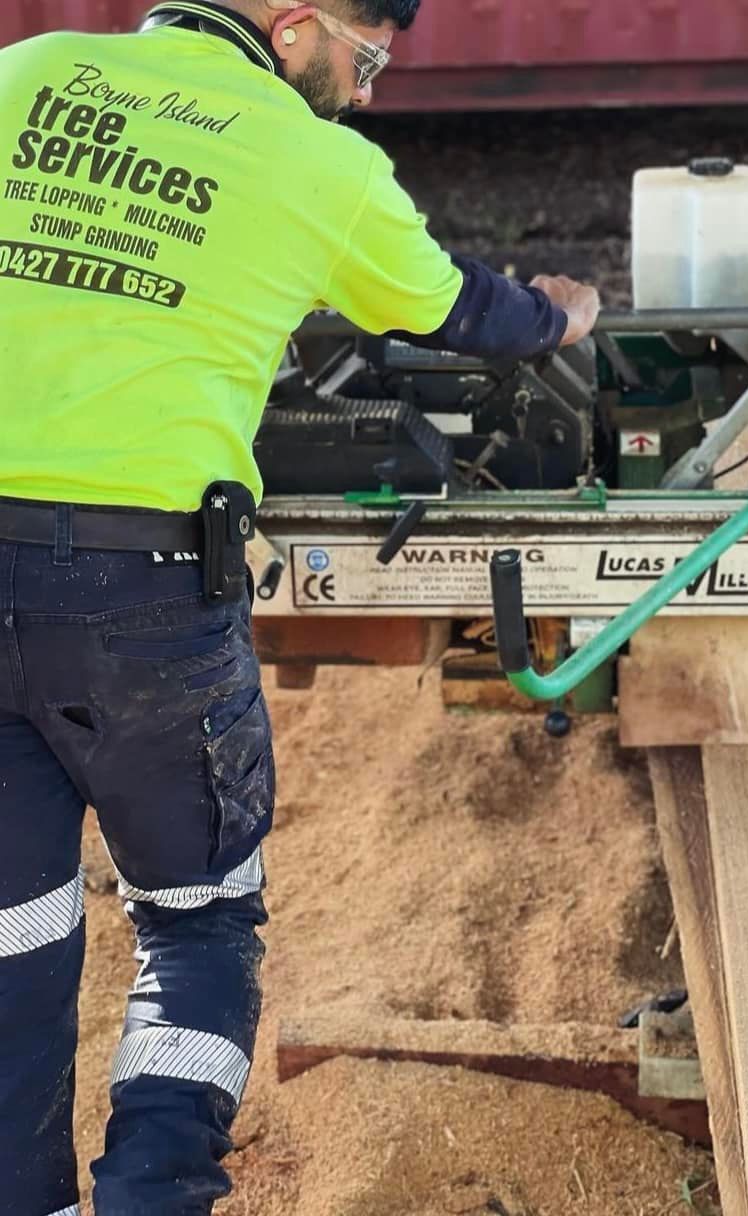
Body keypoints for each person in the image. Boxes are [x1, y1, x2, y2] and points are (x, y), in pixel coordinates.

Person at [0, 1, 600, 1212]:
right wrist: (560, 313)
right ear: (292, 27)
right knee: (196, 924)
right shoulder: (314, 160)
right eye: (366, 58)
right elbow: (459, 312)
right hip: (147, 600)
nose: (369, 89)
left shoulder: (29, 69)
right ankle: (153, 1195)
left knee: (13, 934)